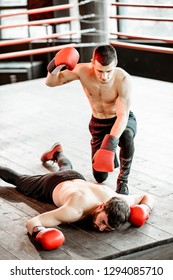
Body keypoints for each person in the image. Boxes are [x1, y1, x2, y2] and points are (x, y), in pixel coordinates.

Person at [0, 143, 154, 250]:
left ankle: (58, 152)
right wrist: (40, 232)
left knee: (65, 168)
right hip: (50, 185)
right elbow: (33, 221)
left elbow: (147, 196)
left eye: (107, 228)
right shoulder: (74, 211)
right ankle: (56, 154)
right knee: (18, 179)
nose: (100, 228)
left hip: (75, 177)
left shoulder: (120, 199)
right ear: (102, 206)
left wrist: (144, 208)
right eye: (103, 221)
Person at [45, 45, 137, 195]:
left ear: (115, 64)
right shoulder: (82, 71)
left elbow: (122, 116)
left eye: (109, 71)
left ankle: (123, 181)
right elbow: (50, 82)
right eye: (100, 71)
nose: (104, 76)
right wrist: (55, 65)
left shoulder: (123, 79)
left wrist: (110, 145)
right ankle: (58, 153)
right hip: (98, 124)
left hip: (119, 120)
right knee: (100, 177)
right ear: (92, 62)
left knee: (126, 136)